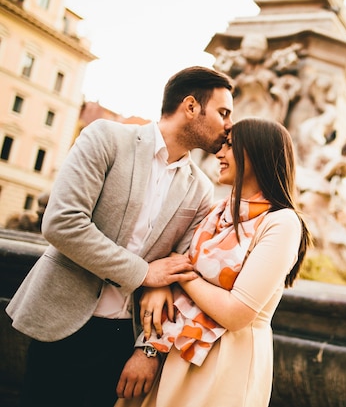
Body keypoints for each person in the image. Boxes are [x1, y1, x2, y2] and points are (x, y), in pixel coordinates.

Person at [5, 66, 234, 407]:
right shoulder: (106, 138)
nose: (228, 125)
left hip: (123, 340)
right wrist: (144, 273)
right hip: (60, 321)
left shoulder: (201, 188)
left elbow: (183, 268)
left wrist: (148, 349)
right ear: (190, 106)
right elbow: (62, 222)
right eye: (223, 112)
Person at [115, 117, 311, 407]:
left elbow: (236, 313)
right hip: (177, 352)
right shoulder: (217, 212)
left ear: (257, 153)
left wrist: (179, 274)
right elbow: (170, 266)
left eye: (230, 146)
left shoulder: (282, 223)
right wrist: (160, 290)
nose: (219, 153)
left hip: (225, 365)